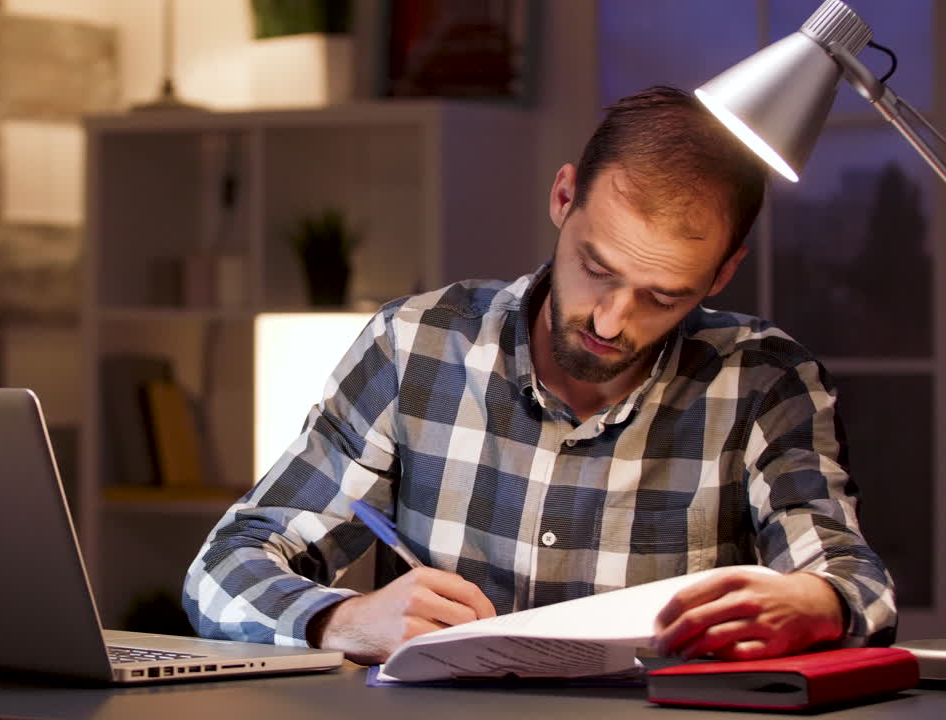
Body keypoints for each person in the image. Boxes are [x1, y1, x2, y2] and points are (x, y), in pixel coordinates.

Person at [182, 86, 897, 665]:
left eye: (664, 296)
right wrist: (342, 619)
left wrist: (819, 604)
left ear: (724, 271)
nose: (612, 321)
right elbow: (223, 568)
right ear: (563, 198)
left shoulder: (764, 383)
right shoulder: (417, 347)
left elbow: (854, 581)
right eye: (596, 267)